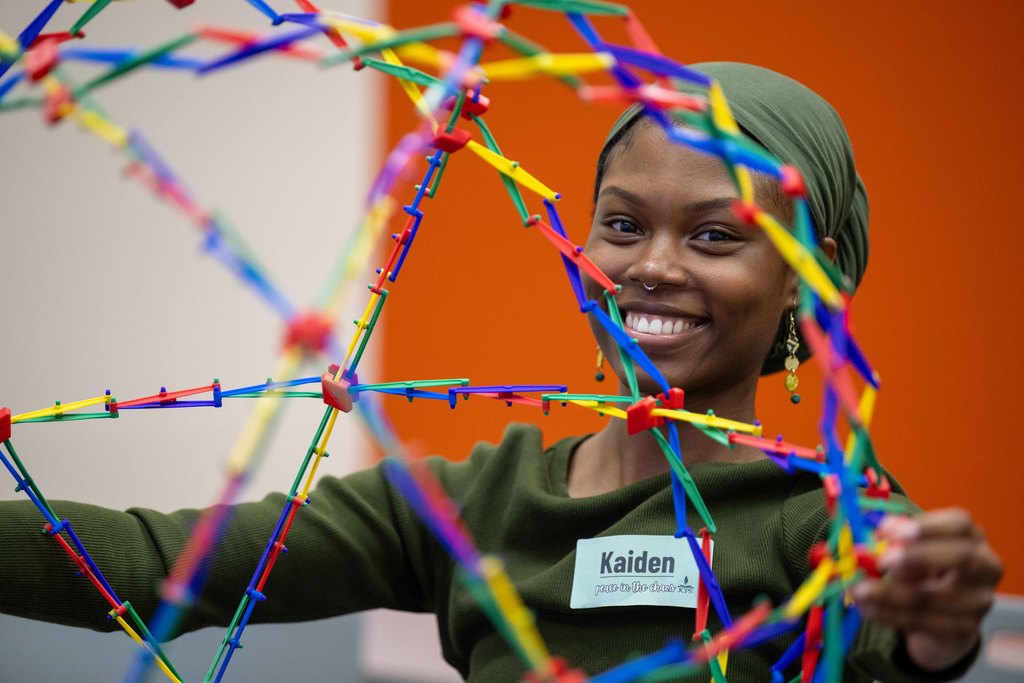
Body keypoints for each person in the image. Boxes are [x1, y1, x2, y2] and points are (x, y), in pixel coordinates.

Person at [0, 62, 1002, 682]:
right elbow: (148, 565)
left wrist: (935, 632)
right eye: (622, 223)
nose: (651, 263)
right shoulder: (467, 500)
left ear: (805, 280)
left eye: (713, 234)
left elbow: (903, 645)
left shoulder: (826, 515)